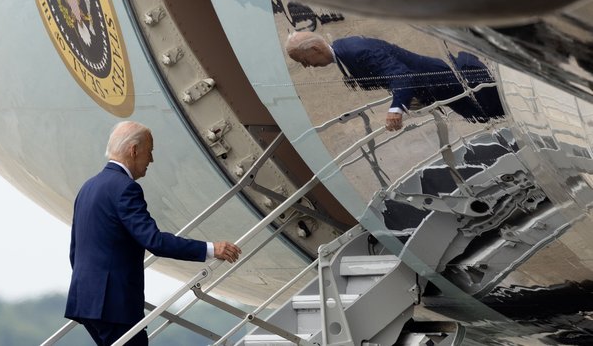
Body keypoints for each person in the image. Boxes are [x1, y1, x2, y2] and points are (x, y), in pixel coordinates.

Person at [64, 121, 242, 346]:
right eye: (150, 151)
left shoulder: (88, 187)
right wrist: (210, 249)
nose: (151, 160)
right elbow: (154, 241)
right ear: (134, 150)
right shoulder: (125, 188)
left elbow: (76, 249)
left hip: (87, 300)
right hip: (114, 305)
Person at [285, 32, 505, 131]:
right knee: (485, 114)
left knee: (490, 113)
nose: (307, 66)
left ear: (314, 49)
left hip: (445, 82)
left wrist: (396, 109)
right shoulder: (344, 50)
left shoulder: (355, 52)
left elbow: (401, 76)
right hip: (435, 86)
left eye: (304, 61)